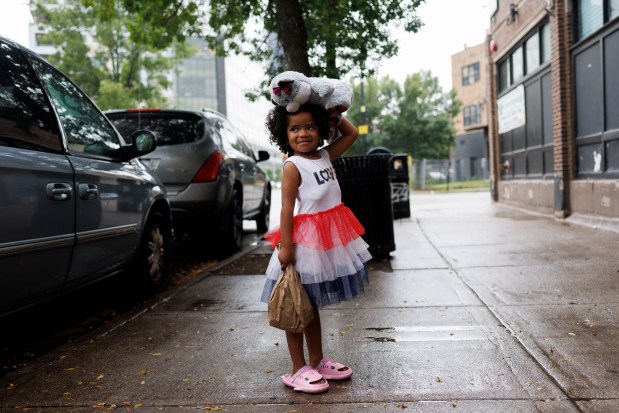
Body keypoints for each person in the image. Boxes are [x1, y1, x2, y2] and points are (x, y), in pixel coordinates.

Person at [260, 103, 372, 394]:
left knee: (312, 305)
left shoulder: (324, 155)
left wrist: (329, 109)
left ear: (321, 129)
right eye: (294, 129)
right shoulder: (292, 166)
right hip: (303, 243)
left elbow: (351, 133)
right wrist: (285, 247)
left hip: (325, 240)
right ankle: (297, 369)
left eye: (310, 126)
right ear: (284, 134)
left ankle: (318, 361)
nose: (303, 134)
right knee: (296, 303)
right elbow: (286, 209)